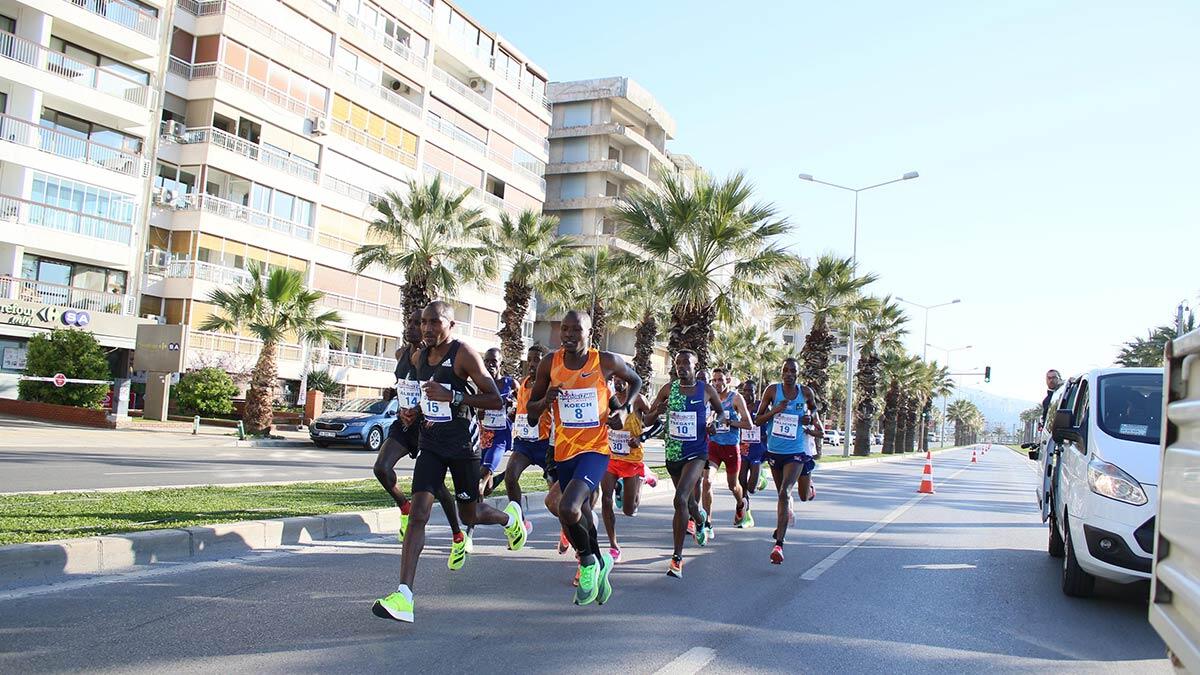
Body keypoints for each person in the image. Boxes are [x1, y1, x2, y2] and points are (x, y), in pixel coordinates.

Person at [372, 302, 528, 624]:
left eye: (434, 322)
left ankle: (510, 520)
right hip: (431, 445)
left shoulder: (463, 354)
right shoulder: (418, 357)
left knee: (470, 512)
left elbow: (494, 400)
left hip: (462, 446)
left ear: (450, 324)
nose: (428, 328)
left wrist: (454, 397)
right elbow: (422, 394)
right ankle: (404, 595)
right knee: (418, 514)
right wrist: (414, 410)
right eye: (424, 322)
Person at [527, 310, 642, 605]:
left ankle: (588, 561)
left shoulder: (604, 361)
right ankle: (602, 562)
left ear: (589, 332)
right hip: (564, 453)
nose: (568, 335)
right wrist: (546, 399)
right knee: (580, 514)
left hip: (595, 450)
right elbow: (530, 415)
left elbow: (636, 381)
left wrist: (623, 409)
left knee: (568, 506)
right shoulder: (549, 364)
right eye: (564, 329)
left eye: (575, 329)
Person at [372, 310, 463, 558]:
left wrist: (420, 411)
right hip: (403, 423)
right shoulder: (401, 353)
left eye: (417, 323)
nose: (412, 327)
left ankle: (457, 533)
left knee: (437, 487)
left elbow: (429, 388)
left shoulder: (425, 356)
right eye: (410, 322)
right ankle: (404, 506)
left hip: (425, 425)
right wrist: (392, 394)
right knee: (381, 468)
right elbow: (406, 384)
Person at [644, 350, 728, 578]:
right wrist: (656, 412)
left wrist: (714, 424)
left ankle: (677, 558)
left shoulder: (706, 390)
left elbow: (721, 413)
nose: (681, 366)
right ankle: (700, 520)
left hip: (697, 453)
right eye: (678, 363)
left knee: (680, 498)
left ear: (695, 365)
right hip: (673, 454)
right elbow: (646, 419)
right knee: (689, 504)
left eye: (686, 363)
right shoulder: (668, 389)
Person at [754, 357, 819, 566]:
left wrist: (809, 418)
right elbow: (757, 419)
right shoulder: (772, 391)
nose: (789, 373)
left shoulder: (806, 392)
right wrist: (775, 410)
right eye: (786, 370)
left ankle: (779, 545)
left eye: (793, 371)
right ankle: (805, 485)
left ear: (797, 374)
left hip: (796, 451)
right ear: (781, 372)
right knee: (783, 493)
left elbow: (815, 410)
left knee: (785, 493)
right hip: (775, 451)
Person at [600, 376, 651, 563]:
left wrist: (641, 438)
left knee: (630, 510)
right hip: (610, 457)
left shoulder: (638, 399)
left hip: (632, 459)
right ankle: (613, 545)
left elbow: (654, 421)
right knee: (606, 499)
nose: (619, 382)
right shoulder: (607, 397)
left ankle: (642, 480)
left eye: (623, 379)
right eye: (615, 379)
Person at [701, 367, 752, 536]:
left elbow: (748, 424)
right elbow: (706, 417)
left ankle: (740, 503)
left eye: (720, 380)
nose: (717, 383)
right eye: (714, 380)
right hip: (713, 446)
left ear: (727, 380)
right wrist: (708, 426)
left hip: (731, 447)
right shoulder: (708, 397)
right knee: (707, 481)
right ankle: (707, 522)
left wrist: (730, 422)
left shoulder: (735, 398)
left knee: (733, 485)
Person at [504, 344, 552, 520]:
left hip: (545, 443)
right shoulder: (523, 383)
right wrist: (515, 413)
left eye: (537, 360)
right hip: (524, 442)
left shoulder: (550, 385)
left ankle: (567, 527)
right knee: (510, 477)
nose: (532, 364)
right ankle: (519, 521)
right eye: (529, 359)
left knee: (555, 488)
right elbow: (523, 407)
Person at [736, 379, 770, 528]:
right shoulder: (739, 406)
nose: (748, 393)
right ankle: (746, 516)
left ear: (756, 392)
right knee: (742, 484)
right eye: (746, 391)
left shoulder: (760, 406)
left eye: (751, 391)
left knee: (751, 488)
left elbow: (771, 421)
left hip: (758, 450)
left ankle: (763, 477)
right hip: (743, 448)